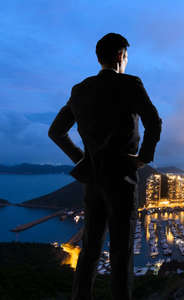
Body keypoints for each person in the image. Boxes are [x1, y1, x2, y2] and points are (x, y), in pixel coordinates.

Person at [48, 32, 162, 300]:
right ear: (122, 56)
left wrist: (81, 158)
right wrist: (144, 157)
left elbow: (56, 132)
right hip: (122, 179)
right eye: (126, 56)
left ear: (99, 58)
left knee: (89, 250)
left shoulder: (79, 90)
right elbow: (154, 122)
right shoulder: (131, 84)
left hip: (93, 180)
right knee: (122, 254)